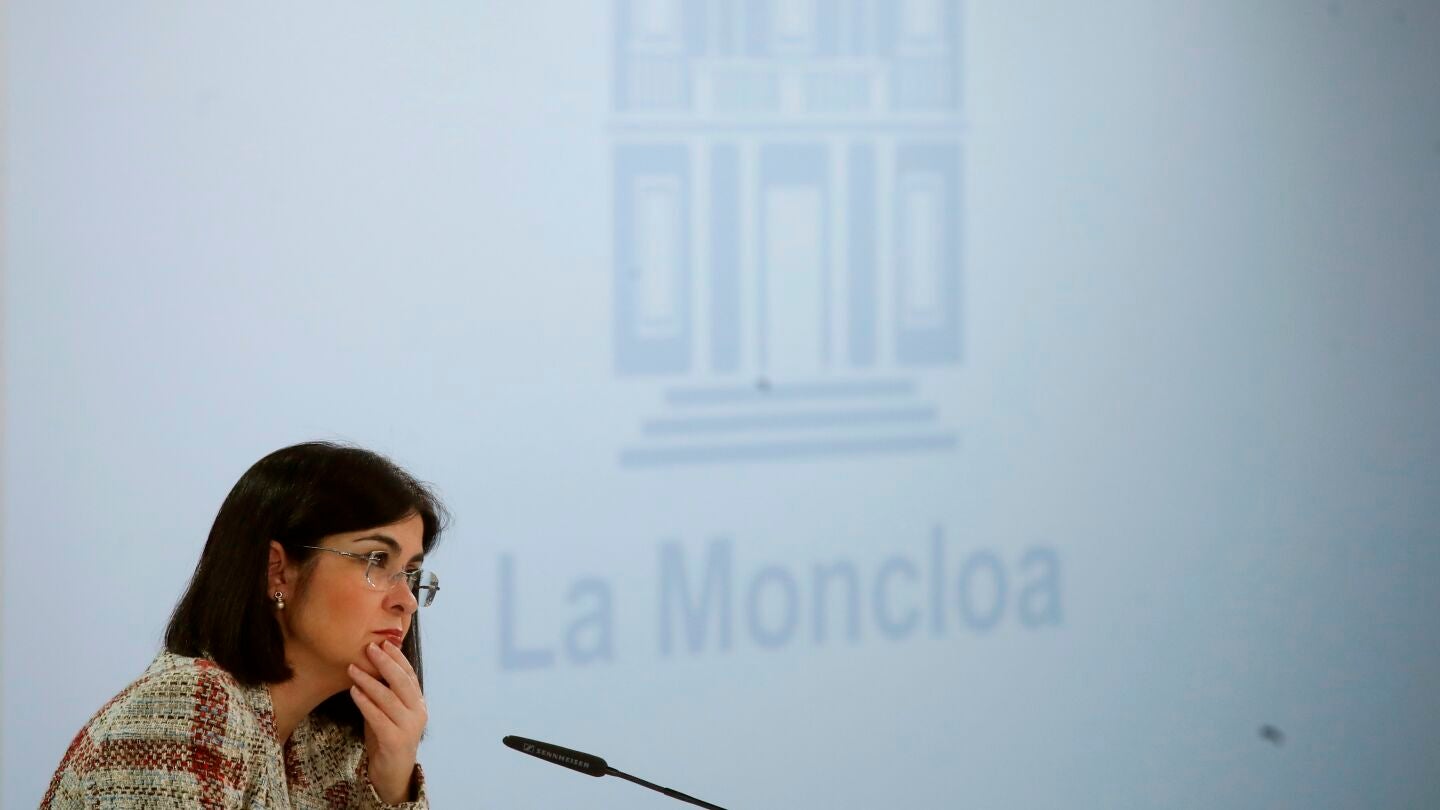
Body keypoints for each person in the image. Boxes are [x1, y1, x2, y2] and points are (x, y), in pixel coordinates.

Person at [41, 442, 448, 809]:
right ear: (277, 571)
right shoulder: (191, 708)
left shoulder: (333, 748)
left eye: (412, 573)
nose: (407, 600)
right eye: (376, 559)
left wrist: (392, 786)